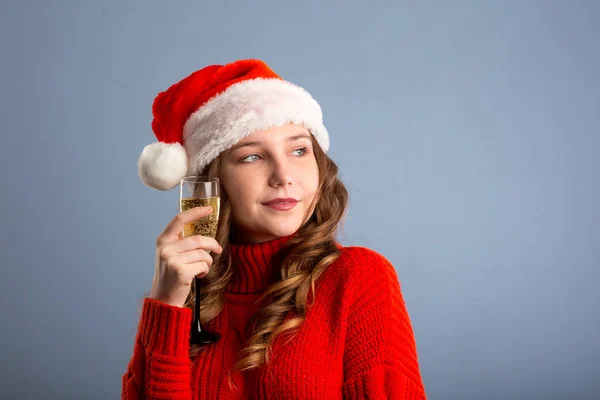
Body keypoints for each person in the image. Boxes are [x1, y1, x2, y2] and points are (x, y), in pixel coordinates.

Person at [122, 59, 427, 399]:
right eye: (252, 156)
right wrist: (166, 308)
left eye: (299, 150)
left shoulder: (359, 279)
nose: (284, 175)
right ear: (211, 180)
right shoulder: (182, 297)